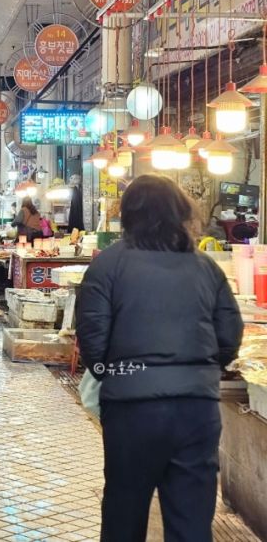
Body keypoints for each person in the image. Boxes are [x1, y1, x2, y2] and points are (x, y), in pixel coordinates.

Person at [76, 174, 243, 542]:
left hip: (131, 412)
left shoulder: (107, 265)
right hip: (196, 410)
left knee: (124, 512)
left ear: (128, 215)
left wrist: (119, 375)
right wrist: (198, 372)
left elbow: (92, 344)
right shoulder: (206, 267)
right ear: (179, 212)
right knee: (191, 521)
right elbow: (229, 336)